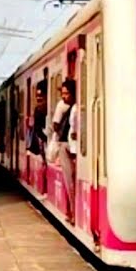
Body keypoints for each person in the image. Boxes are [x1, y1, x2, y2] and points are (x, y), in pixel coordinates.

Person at [50, 79, 79, 225]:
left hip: (74, 147)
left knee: (72, 181)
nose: (64, 96)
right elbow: (55, 125)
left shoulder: (76, 107)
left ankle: (73, 212)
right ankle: (72, 213)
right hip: (65, 146)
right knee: (70, 182)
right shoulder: (63, 106)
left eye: (67, 94)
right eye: (63, 94)